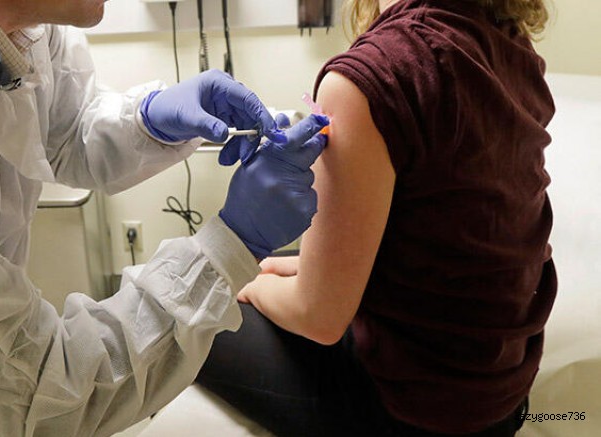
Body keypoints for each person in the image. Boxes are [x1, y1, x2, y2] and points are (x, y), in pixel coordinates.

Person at [0, 0, 329, 436]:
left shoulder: (21, 18)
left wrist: (148, 118)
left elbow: (58, 130)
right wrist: (231, 246)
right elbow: (40, 395)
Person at [197, 0, 556, 436]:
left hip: (415, 413)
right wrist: (296, 271)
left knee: (183, 304)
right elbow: (446, 230)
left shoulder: (371, 77)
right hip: (502, 394)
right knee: (268, 266)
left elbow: (317, 317)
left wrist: (250, 285)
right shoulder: (506, 39)